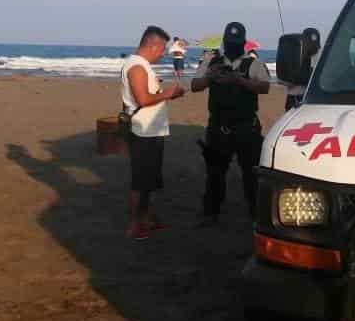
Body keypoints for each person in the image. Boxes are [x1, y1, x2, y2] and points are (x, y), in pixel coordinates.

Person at [192, 21, 270, 224]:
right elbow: (195, 85)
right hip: (218, 127)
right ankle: (211, 212)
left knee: (251, 173)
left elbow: (264, 87)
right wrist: (210, 77)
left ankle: (255, 214)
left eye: (235, 42)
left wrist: (240, 81)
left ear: (243, 43)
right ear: (224, 41)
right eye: (228, 41)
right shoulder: (211, 62)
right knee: (215, 173)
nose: (231, 46)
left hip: (246, 127)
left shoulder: (253, 63)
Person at [121, 26, 185, 240]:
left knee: (149, 180)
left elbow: (147, 96)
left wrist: (167, 94)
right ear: (153, 45)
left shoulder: (142, 66)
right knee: (140, 181)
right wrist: (168, 93)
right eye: (162, 49)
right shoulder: (137, 67)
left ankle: (145, 219)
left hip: (151, 130)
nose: (164, 53)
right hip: (142, 132)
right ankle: (134, 224)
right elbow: (143, 99)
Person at [285, 28, 321, 111]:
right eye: (309, 44)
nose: (313, 48)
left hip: (315, 99)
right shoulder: (293, 55)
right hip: (295, 98)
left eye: (315, 45)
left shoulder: (322, 57)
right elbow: (284, 80)